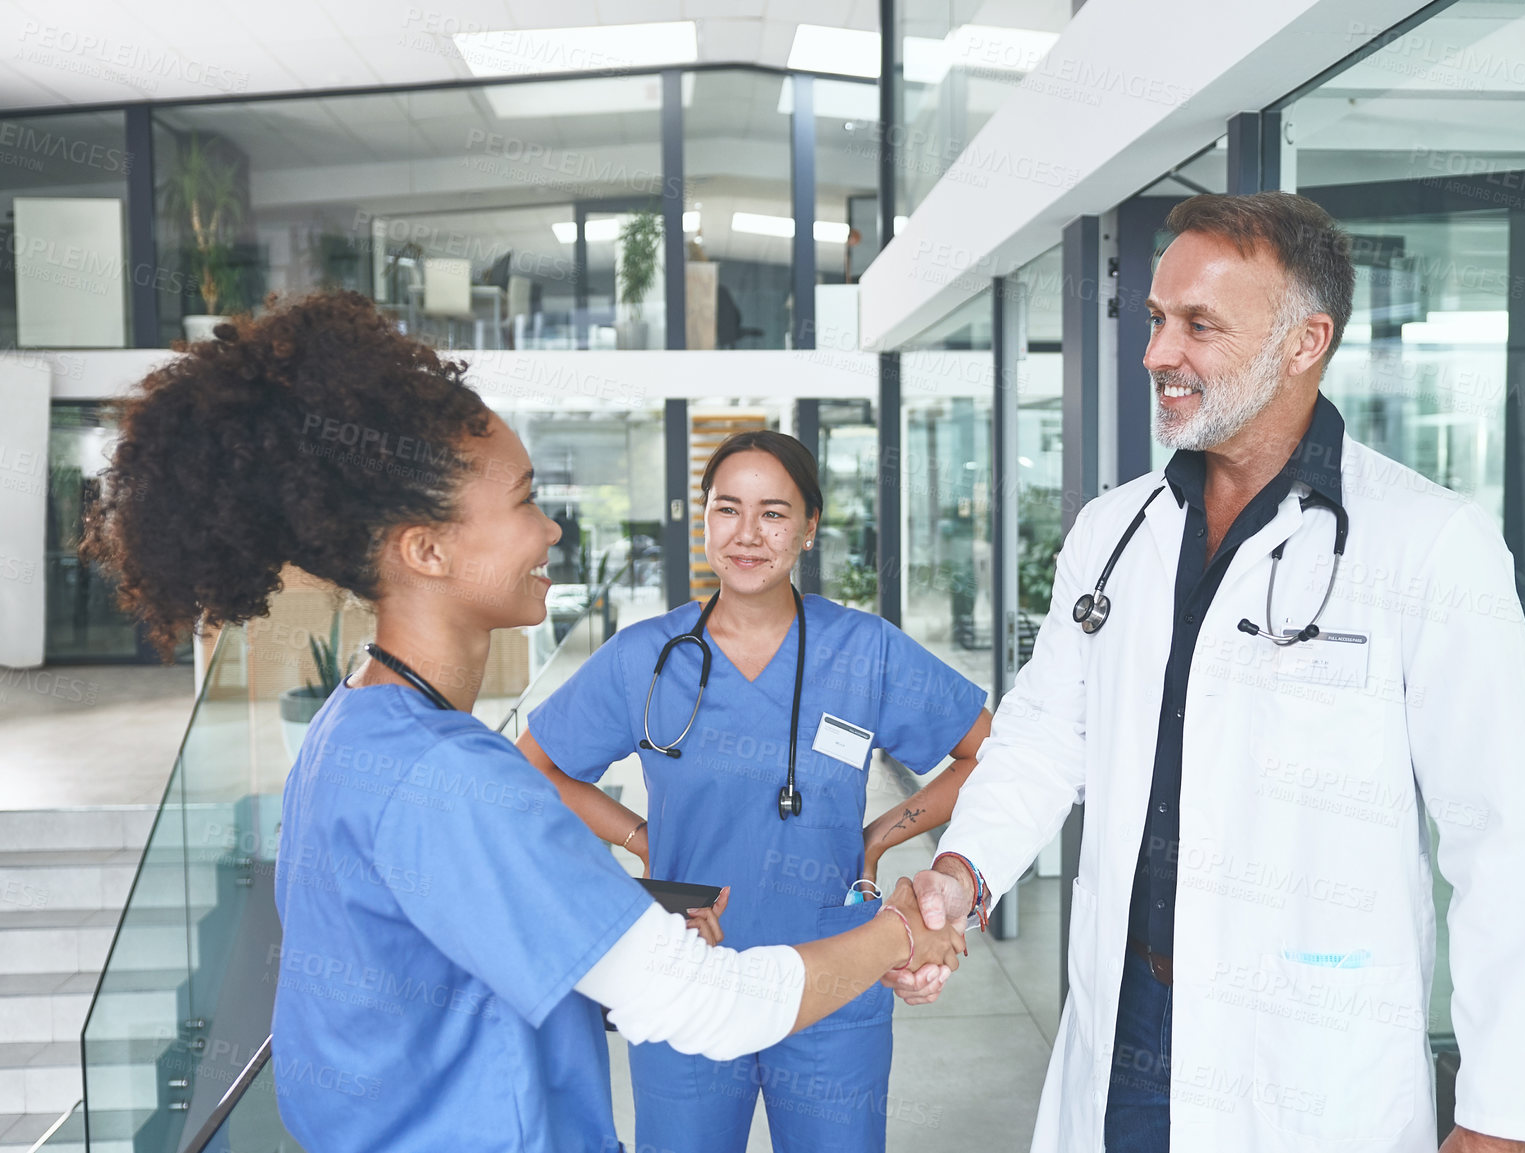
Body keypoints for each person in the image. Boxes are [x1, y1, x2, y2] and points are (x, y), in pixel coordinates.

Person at [78, 293, 964, 1153]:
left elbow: (460, 914)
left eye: (773, 511)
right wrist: (903, 928)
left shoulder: (350, 730)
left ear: (807, 527)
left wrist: (628, 908)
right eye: (526, 501)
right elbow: (707, 1002)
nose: (551, 530)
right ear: (427, 549)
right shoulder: (455, 778)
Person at [893, 192, 1525, 1153]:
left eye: (1199, 325)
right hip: (1127, 1040)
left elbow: (1502, 837)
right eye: (1158, 318)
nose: (1158, 353)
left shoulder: (1430, 544)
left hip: (1308, 1058)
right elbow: (1043, 739)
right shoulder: (1114, 532)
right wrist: (961, 873)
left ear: (1304, 342)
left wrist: (1498, 1115)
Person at [517, 429, 992, 1153]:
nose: (746, 534)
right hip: (687, 972)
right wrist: (642, 838)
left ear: (808, 528)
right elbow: (534, 769)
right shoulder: (645, 657)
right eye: (727, 509)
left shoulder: (866, 650)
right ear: (703, 519)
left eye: (772, 512)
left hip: (835, 973)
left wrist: (883, 833)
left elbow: (987, 752)